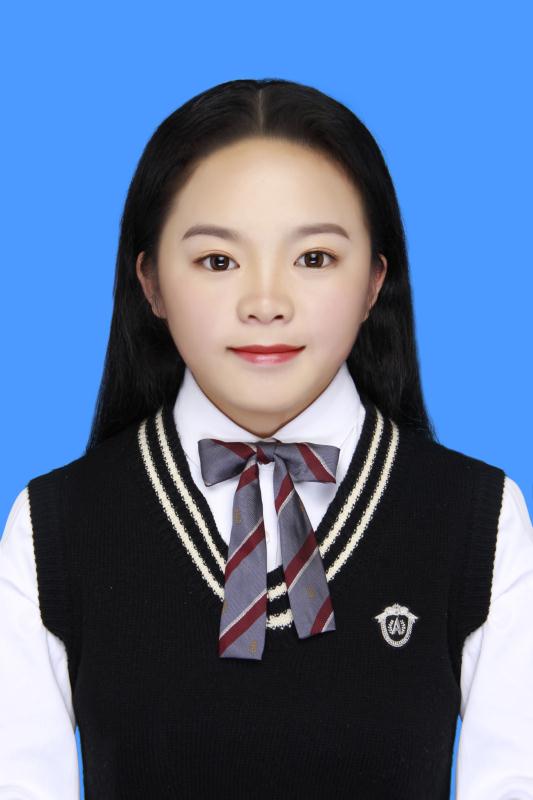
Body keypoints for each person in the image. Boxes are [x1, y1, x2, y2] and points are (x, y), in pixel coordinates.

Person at [1, 77, 532, 799]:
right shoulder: (53, 527)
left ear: (374, 281)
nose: (265, 304)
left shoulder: (478, 519)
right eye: (217, 261)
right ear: (150, 282)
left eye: (314, 258)